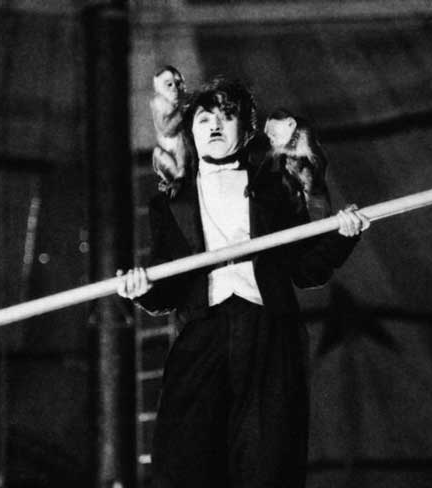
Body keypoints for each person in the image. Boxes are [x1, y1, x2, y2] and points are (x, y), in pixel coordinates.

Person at [117, 77, 370, 488]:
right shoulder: (170, 202)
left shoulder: (277, 189)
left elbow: (306, 271)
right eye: (204, 118)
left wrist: (342, 235)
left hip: (269, 331)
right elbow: (169, 287)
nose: (215, 125)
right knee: (184, 460)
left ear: (248, 129)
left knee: (267, 460)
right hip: (203, 334)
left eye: (227, 115)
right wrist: (143, 288)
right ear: (191, 131)